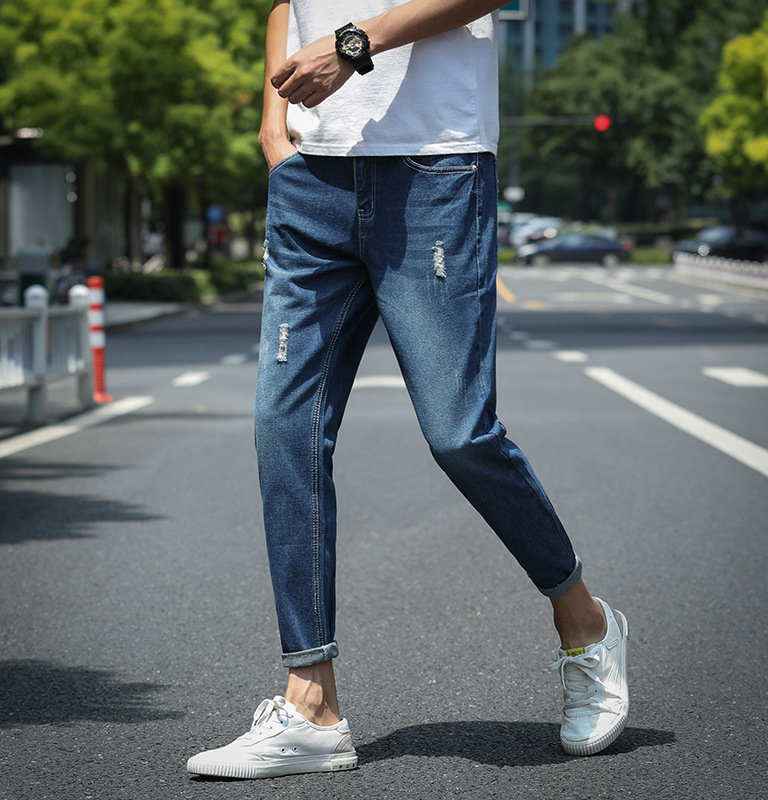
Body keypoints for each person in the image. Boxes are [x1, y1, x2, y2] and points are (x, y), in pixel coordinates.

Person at [187, 0, 629, 779]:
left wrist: (354, 47)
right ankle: (310, 703)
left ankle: (585, 620)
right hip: (310, 179)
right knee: (282, 428)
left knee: (459, 432)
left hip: (434, 165)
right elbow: (288, 4)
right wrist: (273, 127)